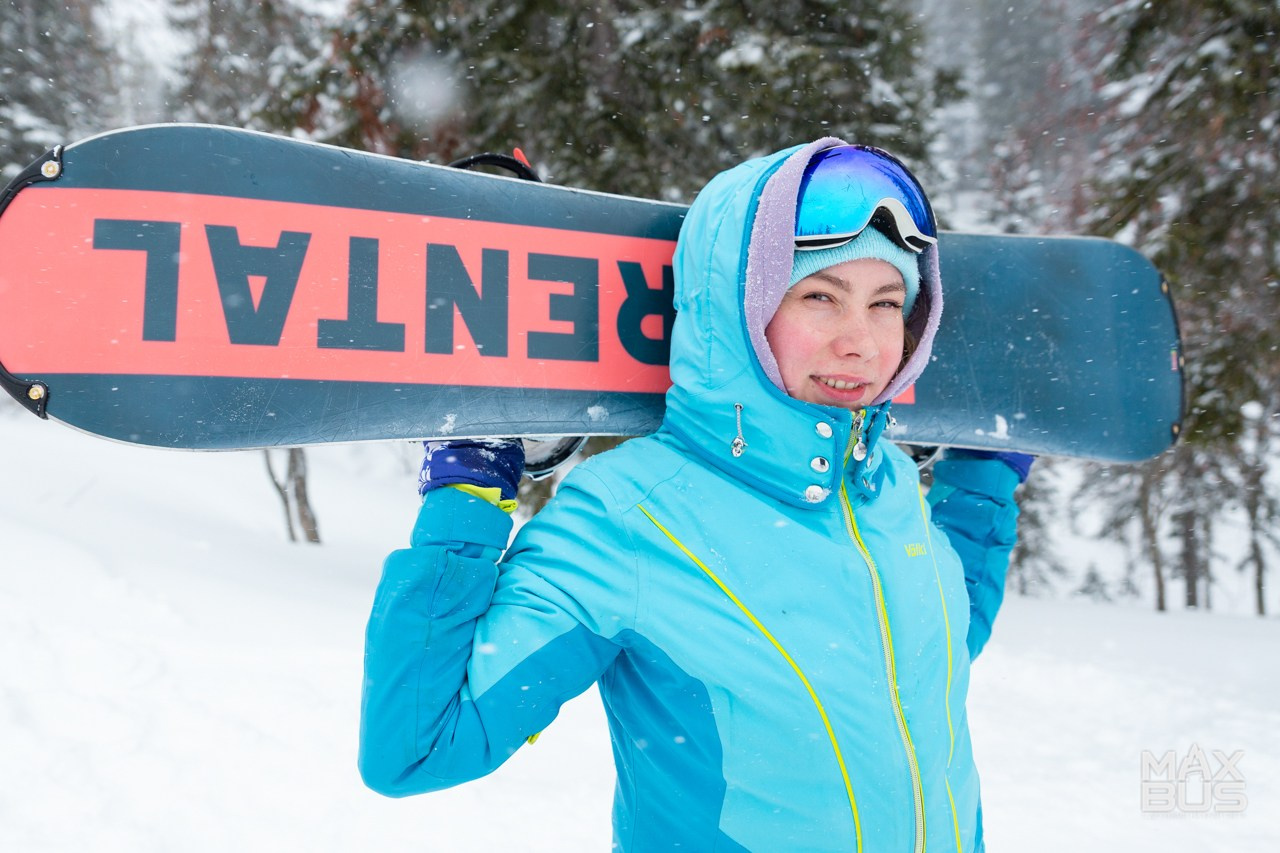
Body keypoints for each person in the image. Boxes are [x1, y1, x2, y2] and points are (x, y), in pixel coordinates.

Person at [358, 138, 1028, 852]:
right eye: (821, 296)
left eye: (887, 303)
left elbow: (932, 653)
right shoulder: (629, 518)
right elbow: (417, 746)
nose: (861, 341)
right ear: (737, 310)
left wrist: (986, 476)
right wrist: (466, 492)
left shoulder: (882, 486)